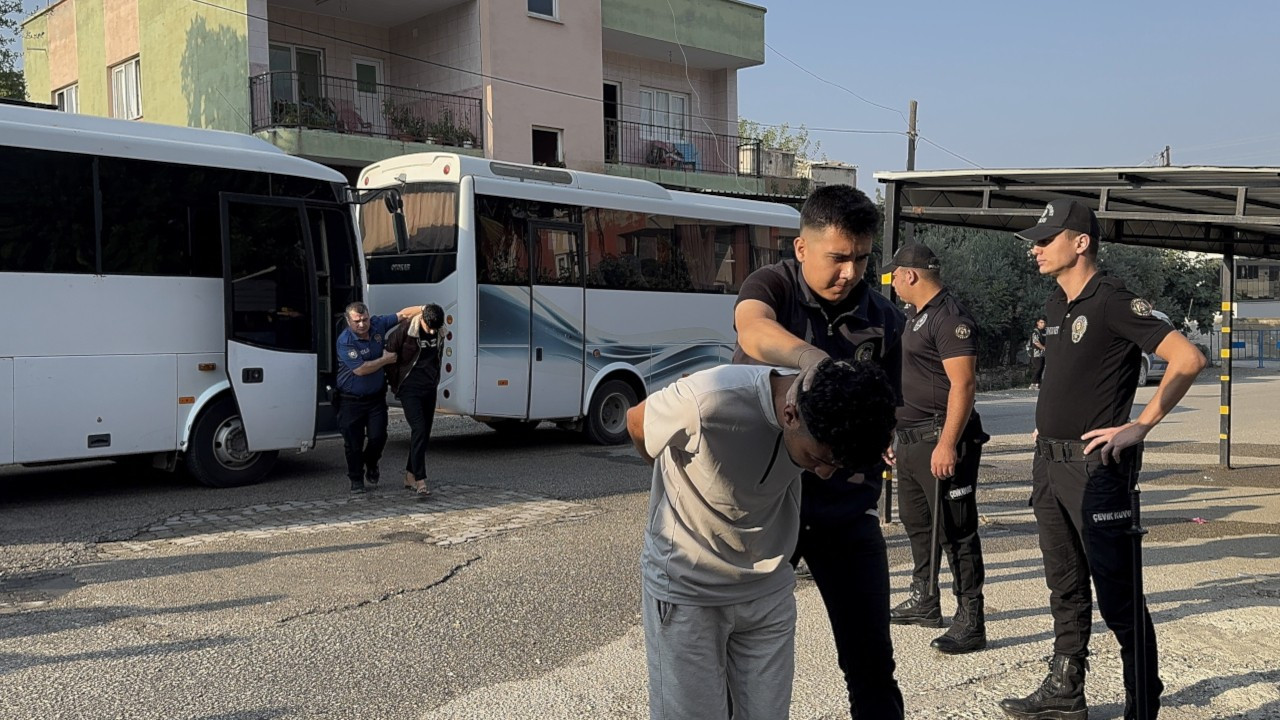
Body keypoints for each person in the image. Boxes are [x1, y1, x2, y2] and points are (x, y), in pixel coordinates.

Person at [1000, 199, 1206, 720]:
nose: (1037, 249)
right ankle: (1066, 690)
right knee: (1064, 585)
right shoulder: (1055, 305)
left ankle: (1142, 702)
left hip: (1095, 470)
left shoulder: (1113, 299)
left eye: (1047, 239)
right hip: (1049, 464)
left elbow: (1188, 358)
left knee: (1117, 594)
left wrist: (1140, 425)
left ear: (1081, 242)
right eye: (1036, 241)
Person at [626, 359, 897, 720]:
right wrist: (678, 486)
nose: (825, 472)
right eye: (817, 458)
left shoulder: (829, 403)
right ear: (790, 414)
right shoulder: (707, 400)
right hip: (689, 588)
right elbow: (637, 422)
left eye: (836, 465)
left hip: (767, 588)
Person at [732, 184, 907, 718]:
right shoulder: (774, 286)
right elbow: (752, 329)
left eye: (860, 259)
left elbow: (890, 405)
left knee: (872, 664)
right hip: (760, 514)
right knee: (738, 661)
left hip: (843, 514)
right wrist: (813, 360)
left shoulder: (883, 319)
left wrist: (890, 434)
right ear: (802, 248)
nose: (849, 272)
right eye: (837, 258)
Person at [883, 243, 990, 655]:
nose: (891, 284)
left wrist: (947, 443)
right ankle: (926, 597)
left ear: (910, 275)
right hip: (911, 440)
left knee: (956, 531)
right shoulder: (916, 316)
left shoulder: (950, 318)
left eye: (893, 276)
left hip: (940, 440)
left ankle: (971, 617)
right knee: (918, 525)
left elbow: (963, 385)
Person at [335, 301, 426, 494]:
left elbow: (402, 314)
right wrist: (385, 360)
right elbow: (361, 369)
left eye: (365, 319)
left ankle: (371, 462)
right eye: (357, 321)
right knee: (353, 443)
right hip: (350, 399)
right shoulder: (345, 341)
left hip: (375, 398)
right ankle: (356, 479)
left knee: (378, 436)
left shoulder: (377, 325)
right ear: (348, 321)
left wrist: (424, 309)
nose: (362, 324)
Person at [385, 303, 445, 498]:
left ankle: (409, 475)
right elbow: (390, 355)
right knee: (418, 428)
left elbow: (438, 356)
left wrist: (435, 379)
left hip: (429, 387)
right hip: (409, 388)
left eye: (436, 328)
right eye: (430, 328)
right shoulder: (406, 331)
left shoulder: (439, 330)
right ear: (422, 320)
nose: (433, 331)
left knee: (424, 433)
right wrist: (396, 384)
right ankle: (420, 480)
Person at [1029, 318, 1047, 389]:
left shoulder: (1045, 331)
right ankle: (1033, 383)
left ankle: (1038, 383)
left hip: (1043, 354)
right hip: (1036, 353)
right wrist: (1043, 348)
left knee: (1042, 367)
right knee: (1038, 367)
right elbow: (1036, 342)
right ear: (1038, 323)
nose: (1043, 324)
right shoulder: (1035, 332)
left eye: (1044, 322)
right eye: (1041, 322)